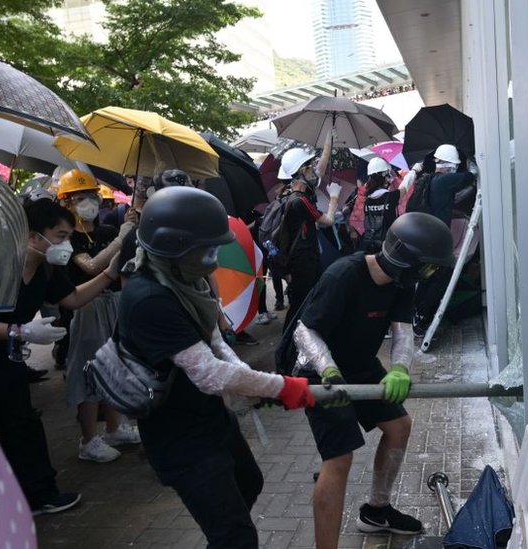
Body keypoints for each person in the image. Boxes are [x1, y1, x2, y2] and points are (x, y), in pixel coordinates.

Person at [117, 186, 316, 548]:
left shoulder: (184, 282)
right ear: (174, 247)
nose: (214, 256)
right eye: (206, 248)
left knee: (248, 485)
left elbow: (214, 341)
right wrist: (280, 386)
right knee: (235, 536)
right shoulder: (149, 299)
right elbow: (208, 373)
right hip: (179, 437)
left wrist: (255, 385)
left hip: (208, 419)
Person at [0, 199, 125, 515]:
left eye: (68, 236)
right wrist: (20, 332)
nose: (66, 244)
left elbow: (72, 299)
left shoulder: (46, 268)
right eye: (59, 235)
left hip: (3, 361)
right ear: (32, 236)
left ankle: (39, 494)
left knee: (23, 425)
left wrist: (110, 273)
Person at [288, 212, 455, 549]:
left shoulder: (400, 283)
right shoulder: (343, 275)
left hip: (360, 365)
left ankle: (376, 512)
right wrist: (328, 370)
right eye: (427, 267)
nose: (431, 274)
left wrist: (400, 369)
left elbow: (402, 332)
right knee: (339, 457)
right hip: (319, 370)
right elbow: (305, 330)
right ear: (406, 259)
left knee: (399, 426)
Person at [58, 169, 141, 463]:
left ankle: (115, 427)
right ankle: (89, 438)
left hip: (113, 304)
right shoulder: (67, 238)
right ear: (65, 203)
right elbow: (91, 267)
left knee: (113, 366)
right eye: (79, 198)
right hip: (86, 309)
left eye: (91, 196)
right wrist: (122, 237)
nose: (88, 202)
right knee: (88, 369)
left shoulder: (105, 231)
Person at [276, 139, 342, 328]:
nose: (312, 171)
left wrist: (328, 142)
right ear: (299, 174)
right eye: (308, 168)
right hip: (303, 259)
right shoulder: (300, 201)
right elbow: (328, 221)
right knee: (300, 303)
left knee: (308, 298)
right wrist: (334, 197)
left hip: (303, 257)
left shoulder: (290, 195)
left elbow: (320, 169)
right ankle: (288, 346)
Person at [412, 144, 476, 337]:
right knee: (440, 276)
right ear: (449, 165)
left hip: (425, 238)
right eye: (455, 165)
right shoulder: (445, 180)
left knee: (426, 276)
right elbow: (469, 177)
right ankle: (422, 318)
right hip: (437, 240)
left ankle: (417, 313)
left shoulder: (427, 179)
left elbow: (446, 201)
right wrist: (472, 164)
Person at [359, 157, 401, 253]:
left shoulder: (367, 199)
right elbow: (405, 186)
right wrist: (414, 171)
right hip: (388, 245)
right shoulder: (391, 196)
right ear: (384, 176)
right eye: (388, 175)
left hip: (371, 244)